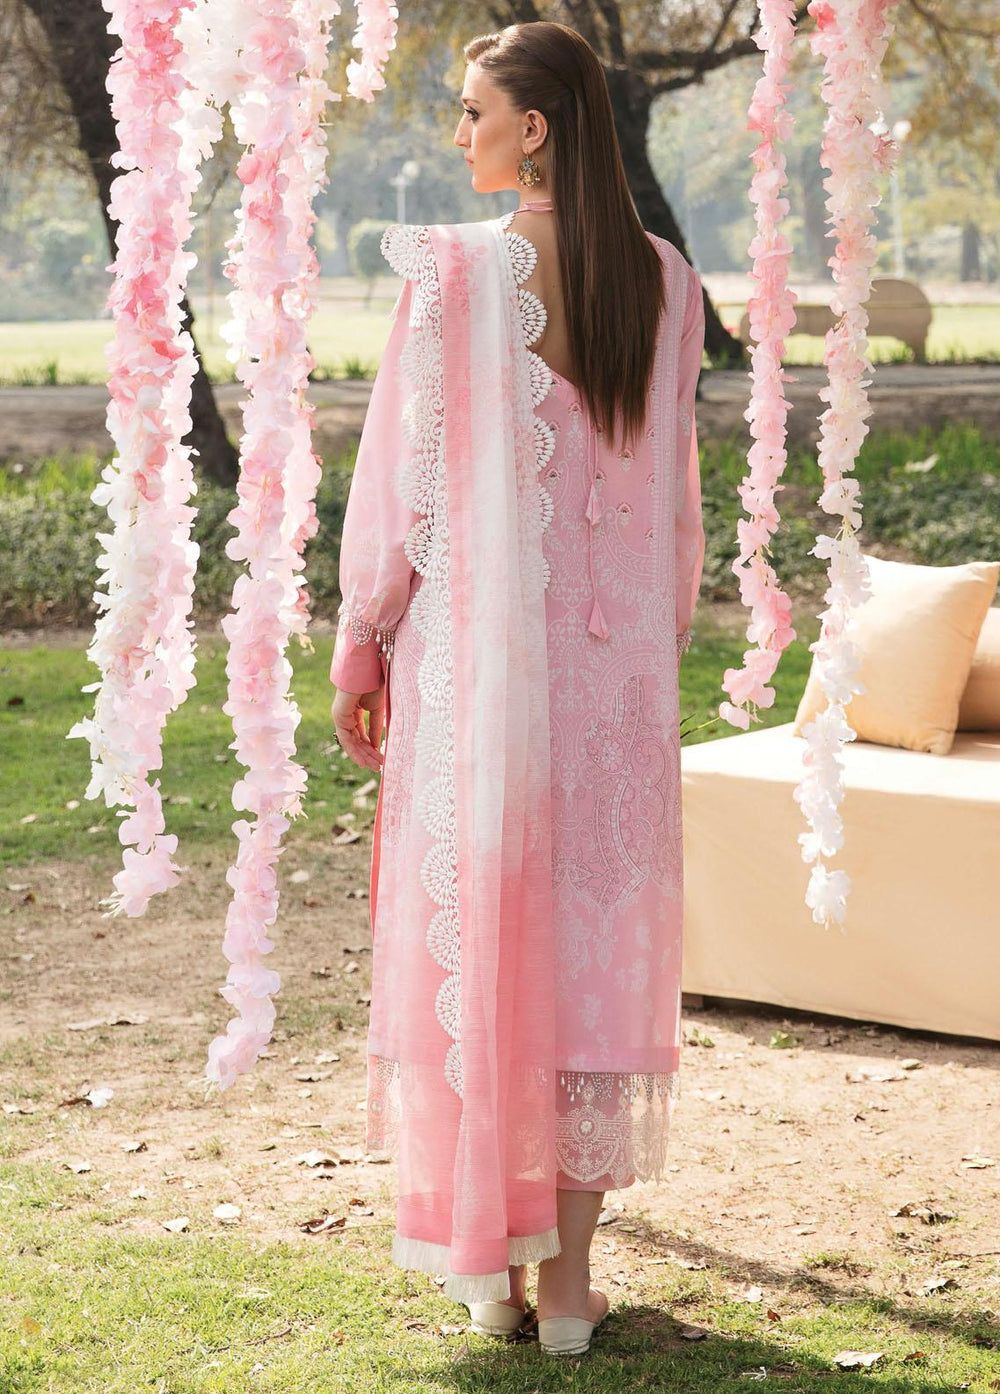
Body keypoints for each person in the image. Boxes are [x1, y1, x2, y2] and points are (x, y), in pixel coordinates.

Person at [329, 20, 705, 1357]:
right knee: (596, 962)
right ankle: (569, 1290)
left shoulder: (455, 274)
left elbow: (402, 484)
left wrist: (363, 638)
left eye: (473, 108)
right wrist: (649, 648)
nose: (460, 131)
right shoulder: (666, 279)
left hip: (485, 683)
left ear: (532, 126)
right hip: (618, 684)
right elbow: (676, 505)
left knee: (485, 944)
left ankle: (491, 1270)